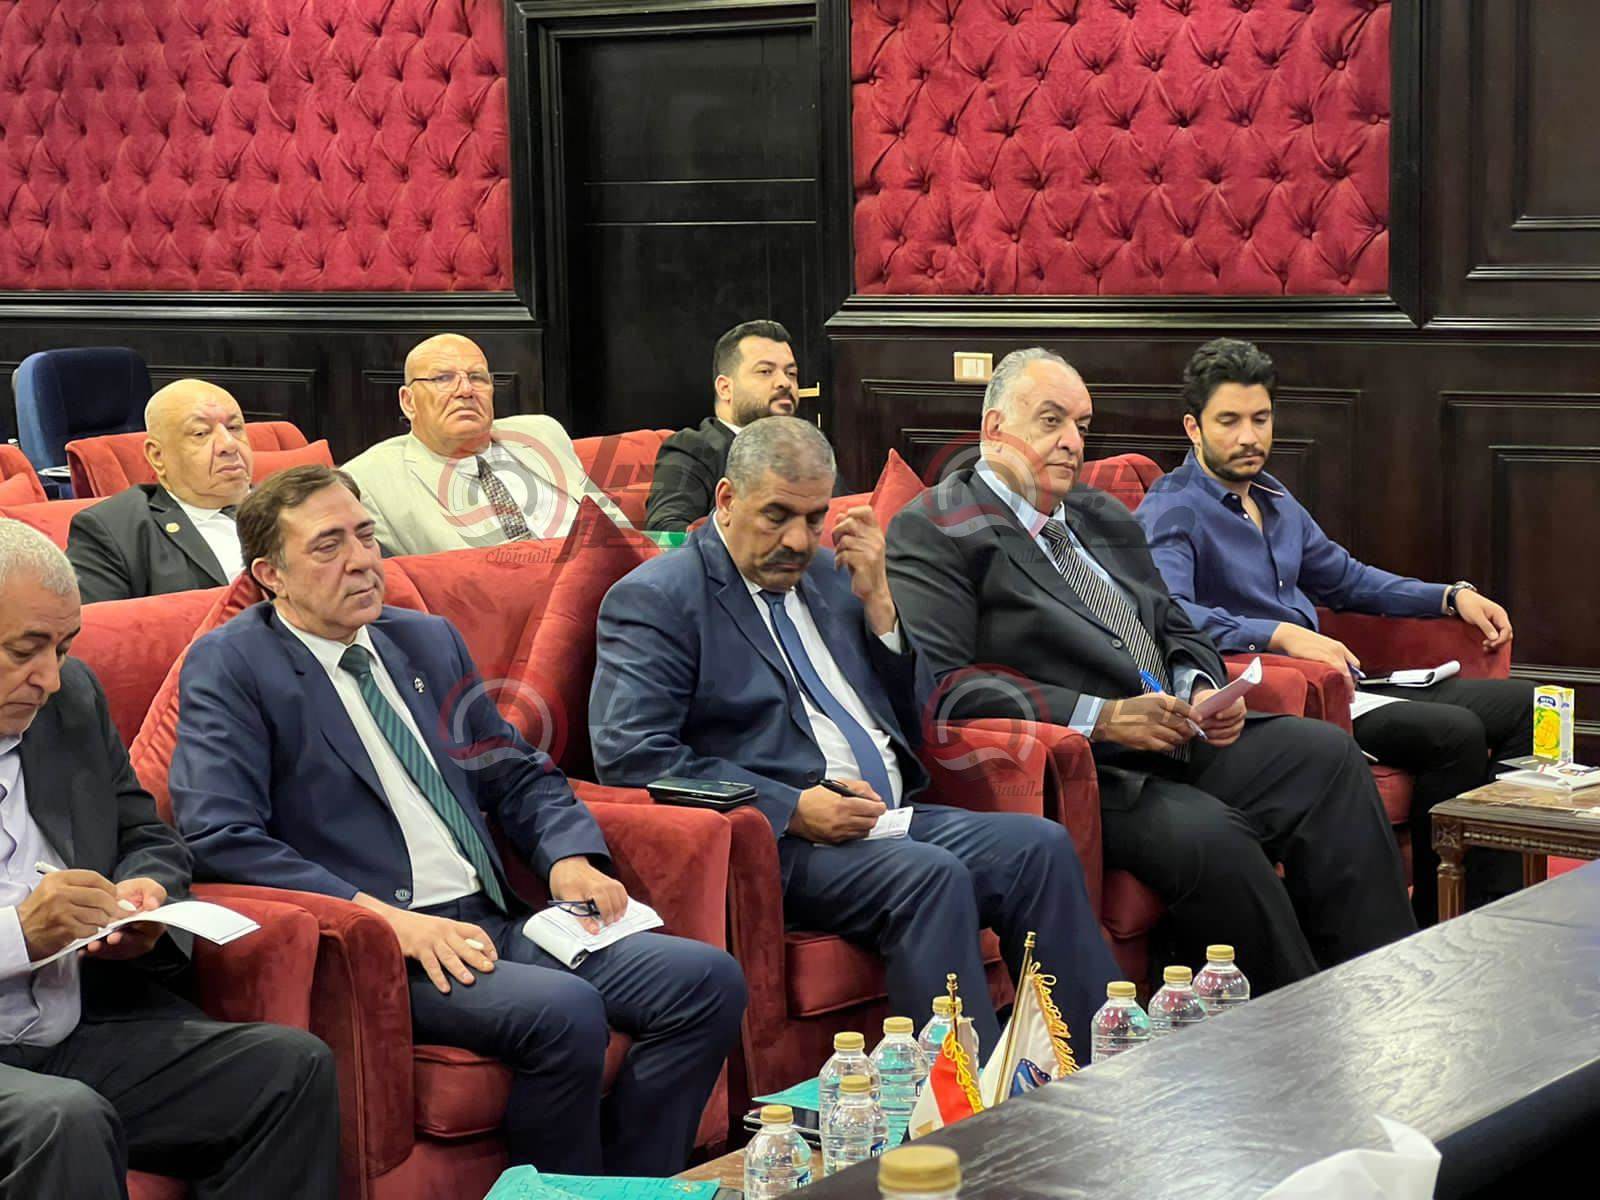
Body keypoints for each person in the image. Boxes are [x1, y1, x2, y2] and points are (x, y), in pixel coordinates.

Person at [168, 465, 743, 1176]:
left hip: (497, 917)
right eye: (328, 546)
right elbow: (220, 836)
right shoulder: (232, 665)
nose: (361, 560)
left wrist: (568, 855)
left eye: (366, 536)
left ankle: (634, 1184)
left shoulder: (424, 640)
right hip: (388, 944)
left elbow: (513, 769)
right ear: (270, 575)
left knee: (707, 982)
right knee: (564, 1011)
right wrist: (384, 921)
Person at [887, 349, 1416, 994]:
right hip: (1092, 768)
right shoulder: (936, 527)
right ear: (995, 429)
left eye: (1082, 425)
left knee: (1327, 757)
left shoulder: (1098, 514)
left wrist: (1201, 689)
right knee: (1215, 838)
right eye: (1051, 421)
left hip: (1179, 732)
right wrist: (1104, 719)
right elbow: (952, 685)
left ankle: (1382, 991)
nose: (1072, 442)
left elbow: (1175, 623)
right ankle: (1296, 1025)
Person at [592, 417, 1117, 1063]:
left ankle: (1094, 1071)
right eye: (776, 515)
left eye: (814, 519)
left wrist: (883, 609)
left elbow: (920, 718)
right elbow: (632, 755)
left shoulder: (831, 576)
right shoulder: (658, 599)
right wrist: (791, 808)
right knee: (930, 877)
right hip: (778, 843)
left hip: (889, 818)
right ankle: (968, 1102)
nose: (796, 540)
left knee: (1040, 847)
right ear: (726, 499)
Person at [1134, 337, 1533, 923]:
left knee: (1527, 706)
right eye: (1229, 421)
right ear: (1193, 428)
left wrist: (1450, 596)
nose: (1249, 436)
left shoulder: (1274, 498)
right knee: (1456, 734)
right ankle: (1438, 923)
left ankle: (1493, 912)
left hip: (1350, 682)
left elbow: (1347, 580)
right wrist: (1279, 634)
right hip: (1289, 697)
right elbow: (1169, 613)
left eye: (1261, 418)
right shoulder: (1171, 510)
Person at [0, 520, 338, 1198]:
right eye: (24, 650)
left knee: (288, 1069)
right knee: (61, 1119)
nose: (51, 678)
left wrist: (144, 891)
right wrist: (19, 935)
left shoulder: (71, 702)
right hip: (34, 1086)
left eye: (63, 648)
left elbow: (144, 833)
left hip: (72, 1027)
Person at [342, 334, 631, 554]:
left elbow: (616, 526)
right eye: (443, 378)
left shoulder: (543, 432)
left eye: (477, 377)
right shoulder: (370, 481)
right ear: (408, 401)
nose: (466, 390)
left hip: (613, 578)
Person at [66, 378, 254, 603]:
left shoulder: (286, 503)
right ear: (157, 456)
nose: (229, 445)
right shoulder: (113, 532)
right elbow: (100, 622)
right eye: (201, 433)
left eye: (234, 428)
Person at [643, 320, 799, 531]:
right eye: (765, 371)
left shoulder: (807, 450)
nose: (785, 383)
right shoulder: (692, 449)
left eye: (791, 373)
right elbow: (666, 532)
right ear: (725, 388)